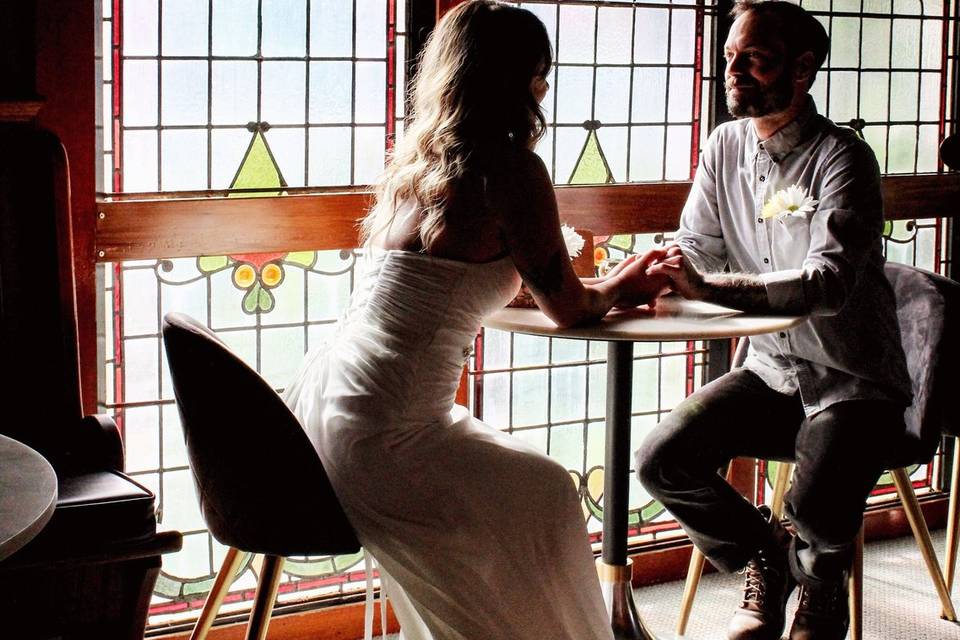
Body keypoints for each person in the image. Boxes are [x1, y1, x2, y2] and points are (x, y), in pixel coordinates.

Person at [284, 2, 668, 639]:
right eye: (540, 70)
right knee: (545, 492)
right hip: (390, 435)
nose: (544, 85)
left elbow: (446, 285)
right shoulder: (510, 170)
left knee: (522, 483)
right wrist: (626, 282)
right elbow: (569, 307)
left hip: (327, 410)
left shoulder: (417, 165)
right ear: (518, 77)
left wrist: (580, 285)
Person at [635, 1, 912, 639]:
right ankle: (768, 555)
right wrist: (665, 268)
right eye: (731, 58)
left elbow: (829, 284)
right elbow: (699, 244)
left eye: (753, 61)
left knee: (815, 503)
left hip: (852, 376)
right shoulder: (723, 145)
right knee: (660, 461)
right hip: (769, 369)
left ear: (803, 68)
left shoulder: (844, 160)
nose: (733, 73)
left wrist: (710, 285)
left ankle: (821, 590)